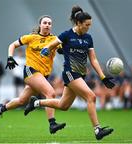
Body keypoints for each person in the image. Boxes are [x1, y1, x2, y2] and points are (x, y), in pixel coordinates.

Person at [24, 6, 115, 140]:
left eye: (90, 25)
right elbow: (53, 43)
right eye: (86, 25)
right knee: (91, 97)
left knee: (63, 105)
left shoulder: (88, 38)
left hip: (80, 74)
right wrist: (46, 49)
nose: (88, 27)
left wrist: (103, 77)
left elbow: (93, 59)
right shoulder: (67, 35)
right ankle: (97, 130)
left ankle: (36, 103)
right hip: (70, 73)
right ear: (78, 23)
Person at [0, 15, 66, 134]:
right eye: (45, 22)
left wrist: (64, 49)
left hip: (43, 75)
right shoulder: (30, 37)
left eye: (49, 23)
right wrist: (10, 57)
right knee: (50, 92)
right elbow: (12, 45)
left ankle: (2, 108)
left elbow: (62, 49)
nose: (47, 25)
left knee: (21, 101)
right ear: (40, 25)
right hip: (31, 71)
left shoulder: (55, 39)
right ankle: (52, 123)